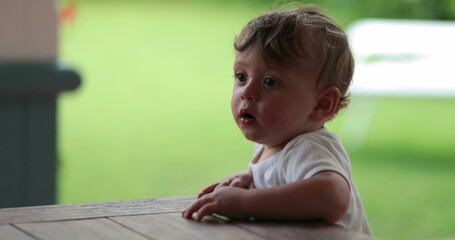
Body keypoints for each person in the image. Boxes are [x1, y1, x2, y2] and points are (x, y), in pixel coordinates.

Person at [182, 5, 371, 235]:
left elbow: (332, 196)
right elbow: (286, 183)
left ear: (321, 104)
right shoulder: (273, 143)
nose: (246, 92)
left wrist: (245, 202)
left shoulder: (309, 148)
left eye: (270, 82)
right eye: (241, 77)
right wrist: (253, 179)